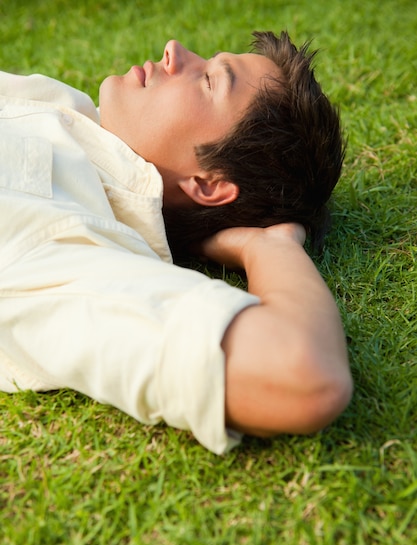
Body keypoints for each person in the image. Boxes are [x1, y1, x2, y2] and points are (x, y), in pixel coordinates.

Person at [0, 31, 352, 454]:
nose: (173, 50)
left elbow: (305, 375)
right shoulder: (72, 115)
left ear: (208, 184)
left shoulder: (74, 244)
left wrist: (270, 248)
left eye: (208, 81)